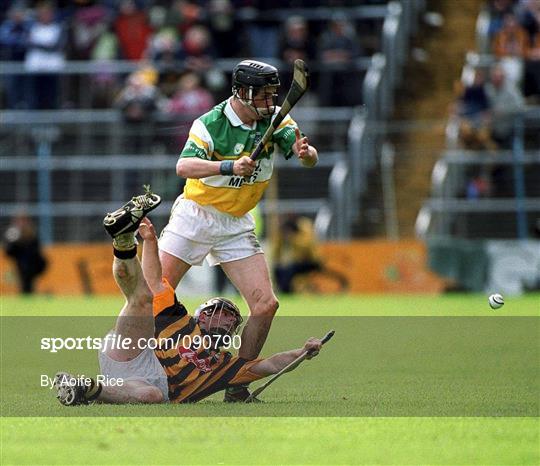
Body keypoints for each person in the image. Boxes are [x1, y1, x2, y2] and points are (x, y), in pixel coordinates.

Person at [54, 189, 325, 405]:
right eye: (217, 314)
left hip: (149, 386)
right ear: (200, 315)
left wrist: (303, 352)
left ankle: (87, 390)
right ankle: (123, 243)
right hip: (133, 355)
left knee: (152, 397)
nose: (221, 322)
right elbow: (154, 282)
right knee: (141, 299)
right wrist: (149, 242)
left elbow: (269, 364)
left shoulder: (224, 366)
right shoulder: (179, 319)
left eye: (228, 321)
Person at [158, 59, 319, 402]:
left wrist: (304, 152)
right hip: (195, 216)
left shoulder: (275, 118)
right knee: (153, 296)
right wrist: (227, 165)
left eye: (272, 94)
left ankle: (237, 383)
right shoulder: (210, 123)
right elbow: (183, 166)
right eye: (262, 94)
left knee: (265, 305)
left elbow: (305, 153)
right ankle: (143, 372)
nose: (269, 101)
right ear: (242, 93)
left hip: (236, 223)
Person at [4, 213, 47, 294]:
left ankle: (28, 294)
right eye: (20, 221)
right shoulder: (13, 233)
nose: (22, 223)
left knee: (28, 282)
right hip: (20, 263)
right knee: (22, 282)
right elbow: (9, 252)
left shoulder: (32, 233)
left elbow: (36, 250)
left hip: (32, 264)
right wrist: (13, 241)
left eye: (24, 220)